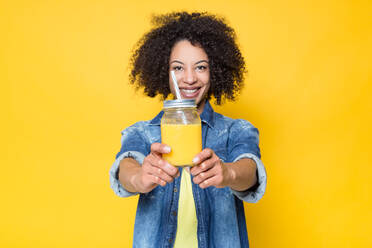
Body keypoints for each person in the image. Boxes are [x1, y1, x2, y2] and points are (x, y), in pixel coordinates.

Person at [109, 12, 267, 248]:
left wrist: (228, 173)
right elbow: (126, 165)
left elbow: (250, 169)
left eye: (201, 67)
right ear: (165, 72)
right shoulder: (142, 132)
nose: (190, 78)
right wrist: (138, 177)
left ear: (215, 71)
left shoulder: (237, 130)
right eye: (178, 68)